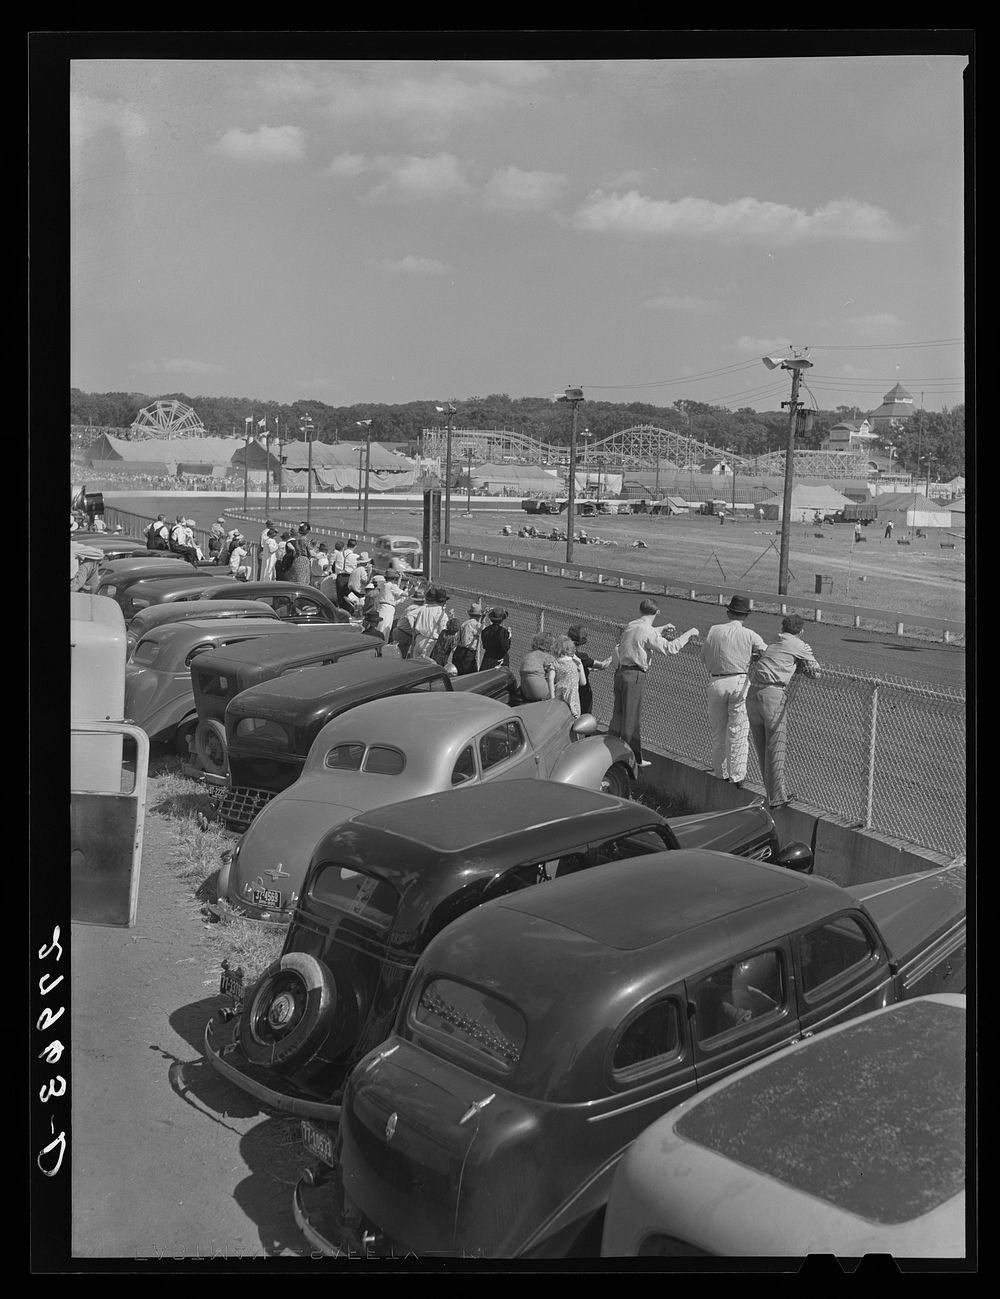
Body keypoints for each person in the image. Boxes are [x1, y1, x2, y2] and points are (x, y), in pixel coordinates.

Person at [610, 600, 699, 767]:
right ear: (657, 612)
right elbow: (670, 648)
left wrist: (662, 629)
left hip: (621, 673)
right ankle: (623, 760)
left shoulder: (632, 625)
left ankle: (633, 757)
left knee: (622, 716)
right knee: (630, 720)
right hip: (634, 675)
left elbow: (643, 633)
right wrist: (689, 633)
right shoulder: (648, 631)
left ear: (640, 609)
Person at [746, 614, 821, 808]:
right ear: (801, 631)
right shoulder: (799, 646)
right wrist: (802, 663)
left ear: (783, 627)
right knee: (775, 748)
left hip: (752, 693)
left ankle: (772, 794)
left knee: (762, 749)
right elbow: (817, 673)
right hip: (773, 696)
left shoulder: (773, 644)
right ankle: (778, 798)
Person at [700, 594, 767, 787]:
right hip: (739, 681)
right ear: (745, 616)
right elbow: (766, 653)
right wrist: (751, 658)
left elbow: (703, 657)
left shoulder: (714, 630)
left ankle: (720, 773)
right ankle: (737, 776)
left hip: (716, 682)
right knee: (738, 730)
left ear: (729, 612)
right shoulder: (750, 635)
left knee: (718, 731)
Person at [567, 625, 611, 717]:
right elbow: (603, 665)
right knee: (584, 715)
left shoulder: (564, 652)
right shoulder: (582, 657)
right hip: (582, 692)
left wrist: (590, 669)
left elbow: (583, 667)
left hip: (568, 689)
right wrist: (613, 657)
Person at [406, 585, 452, 660]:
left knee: (414, 664)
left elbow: (409, 614)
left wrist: (413, 628)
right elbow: (442, 632)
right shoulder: (442, 615)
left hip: (419, 639)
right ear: (444, 602)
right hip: (430, 643)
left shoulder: (424, 608)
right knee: (425, 666)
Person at [551, 635, 587, 717]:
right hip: (572, 697)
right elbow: (583, 682)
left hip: (558, 695)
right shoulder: (575, 663)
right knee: (574, 717)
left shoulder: (555, 663)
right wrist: (580, 664)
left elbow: (551, 679)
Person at [519, 632, 557, 702]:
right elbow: (557, 674)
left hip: (525, 692)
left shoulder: (528, 655)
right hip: (540, 691)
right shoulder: (547, 657)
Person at [452, 603, 485, 675]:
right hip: (467, 653)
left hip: (460, 651)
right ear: (479, 616)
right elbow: (466, 642)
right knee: (469, 675)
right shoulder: (473, 624)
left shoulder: (466, 623)